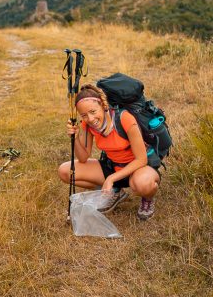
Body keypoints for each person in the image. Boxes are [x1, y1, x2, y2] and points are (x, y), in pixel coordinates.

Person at [58, 83, 160, 221]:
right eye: (84, 115)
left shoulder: (124, 119)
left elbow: (141, 159)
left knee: (143, 184)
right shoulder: (88, 124)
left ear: (103, 105)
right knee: (65, 171)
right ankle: (116, 192)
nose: (90, 119)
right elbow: (83, 158)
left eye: (93, 112)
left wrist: (111, 178)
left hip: (138, 168)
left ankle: (147, 199)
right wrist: (74, 138)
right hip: (113, 166)